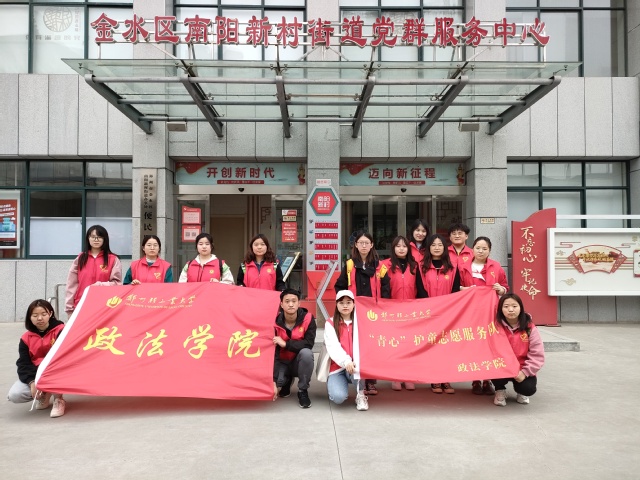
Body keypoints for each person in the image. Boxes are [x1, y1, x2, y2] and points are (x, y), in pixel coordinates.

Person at [334, 231, 389, 396]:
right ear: (356, 245)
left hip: (374, 315)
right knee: (357, 347)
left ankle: (371, 381)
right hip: (355, 314)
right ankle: (360, 379)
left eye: (367, 243)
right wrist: (346, 304)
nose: (364, 245)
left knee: (371, 347)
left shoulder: (380, 267)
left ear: (372, 245)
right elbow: (340, 286)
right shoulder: (349, 266)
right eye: (361, 243)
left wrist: (382, 307)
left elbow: (386, 289)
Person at [460, 236, 509, 396]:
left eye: (484, 248)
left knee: (489, 344)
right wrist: (465, 289)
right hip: (470, 312)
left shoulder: (496, 267)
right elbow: (456, 287)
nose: (481, 251)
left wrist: (501, 289)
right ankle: (475, 380)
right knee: (474, 344)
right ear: (472, 249)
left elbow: (505, 287)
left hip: (490, 312)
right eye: (478, 248)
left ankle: (488, 380)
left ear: (489, 250)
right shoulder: (463, 267)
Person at [7, 299, 66, 418]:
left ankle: (58, 399)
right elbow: (23, 363)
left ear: (50, 313)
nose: (39, 318)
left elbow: (63, 356)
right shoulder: (25, 338)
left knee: (58, 370)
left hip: (58, 371)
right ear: (30, 317)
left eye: (43, 314)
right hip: (36, 374)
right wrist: (32, 382)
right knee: (15, 395)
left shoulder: (61, 331)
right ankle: (45, 392)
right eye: (35, 315)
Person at [418, 233, 460, 394]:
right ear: (429, 247)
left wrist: (448, 309)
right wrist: (429, 309)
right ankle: (435, 378)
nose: (437, 248)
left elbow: (455, 290)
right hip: (428, 314)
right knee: (432, 346)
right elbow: (420, 290)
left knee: (446, 347)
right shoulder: (422, 267)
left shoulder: (453, 267)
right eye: (433, 245)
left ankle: (446, 378)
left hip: (447, 314)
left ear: (445, 248)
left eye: (440, 245)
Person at [492, 293, 544, 407]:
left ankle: (521, 392)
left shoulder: (530, 328)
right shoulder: (495, 326)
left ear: (521, 307)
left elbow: (537, 355)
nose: (510, 310)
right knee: (493, 370)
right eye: (506, 306)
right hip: (502, 366)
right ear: (500, 309)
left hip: (522, 367)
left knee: (528, 389)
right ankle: (499, 389)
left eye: (514, 306)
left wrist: (525, 372)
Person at [381, 235, 417, 391]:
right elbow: (382, 288)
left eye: (404, 246)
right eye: (398, 246)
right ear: (393, 248)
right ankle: (395, 376)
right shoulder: (385, 265)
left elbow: (420, 288)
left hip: (411, 312)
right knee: (395, 346)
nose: (401, 249)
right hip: (392, 312)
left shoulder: (414, 266)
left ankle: (408, 376)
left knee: (409, 346)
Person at [65, 224, 122, 316]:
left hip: (105, 306)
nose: (96, 239)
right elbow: (71, 284)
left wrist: (99, 285)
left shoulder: (113, 259)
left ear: (105, 239)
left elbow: (117, 283)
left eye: (99, 237)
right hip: (82, 303)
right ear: (88, 239)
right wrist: (69, 308)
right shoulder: (80, 258)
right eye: (93, 237)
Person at [325, 290, 368, 411]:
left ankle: (360, 394)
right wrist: (346, 361)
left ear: (354, 304)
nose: (345, 306)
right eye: (341, 303)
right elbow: (333, 346)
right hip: (337, 367)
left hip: (356, 366)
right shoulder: (330, 323)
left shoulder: (361, 322)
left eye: (348, 302)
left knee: (358, 369)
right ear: (336, 304)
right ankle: (334, 382)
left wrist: (354, 362)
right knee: (338, 397)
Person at [273, 289, 316, 408]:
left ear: (299, 303)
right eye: (287, 301)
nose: (291, 304)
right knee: (279, 381)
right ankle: (286, 382)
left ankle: (302, 390)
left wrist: (286, 344)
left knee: (307, 354)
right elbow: (273, 352)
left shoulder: (308, 318)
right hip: (282, 361)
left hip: (298, 362)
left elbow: (308, 344)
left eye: (294, 301)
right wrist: (273, 381)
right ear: (281, 304)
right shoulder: (274, 321)